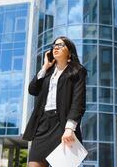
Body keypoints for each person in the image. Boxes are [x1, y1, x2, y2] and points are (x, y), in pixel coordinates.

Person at [22, 36, 87, 167]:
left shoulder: (77, 71)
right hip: (42, 124)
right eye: (54, 45)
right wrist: (45, 67)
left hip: (62, 124)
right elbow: (32, 90)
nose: (56, 47)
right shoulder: (47, 72)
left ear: (69, 51)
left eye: (61, 45)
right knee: (34, 164)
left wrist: (70, 128)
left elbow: (78, 101)